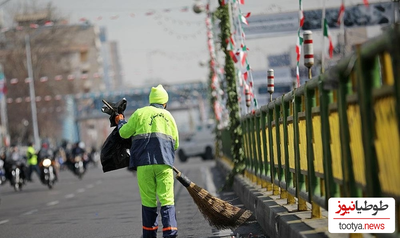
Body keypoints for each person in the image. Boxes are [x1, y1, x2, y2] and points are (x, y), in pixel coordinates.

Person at [113, 84, 179, 238]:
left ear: (151, 100)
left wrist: (120, 121)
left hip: (144, 164)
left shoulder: (140, 113)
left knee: (148, 201)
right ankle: (170, 233)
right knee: (167, 199)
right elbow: (176, 144)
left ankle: (149, 235)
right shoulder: (169, 116)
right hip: (164, 164)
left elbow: (123, 134)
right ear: (164, 103)